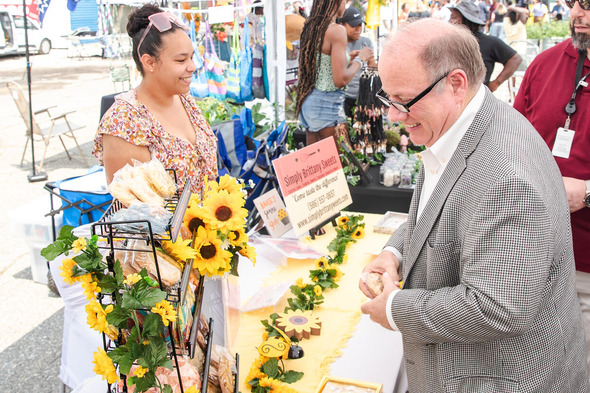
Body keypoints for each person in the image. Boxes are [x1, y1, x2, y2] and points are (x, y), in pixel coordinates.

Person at [360, 17, 590, 392]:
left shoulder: (507, 176)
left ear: (455, 84)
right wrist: (395, 253)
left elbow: (496, 306)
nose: (392, 116)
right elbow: (435, 214)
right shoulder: (459, 125)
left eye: (403, 101)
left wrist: (393, 309)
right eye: (389, 99)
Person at [514, 0, 590, 372]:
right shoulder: (544, 65)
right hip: (529, 257)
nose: (581, 14)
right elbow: (509, 144)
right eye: (578, 2)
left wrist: (589, 193)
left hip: (585, 269)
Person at [93, 4, 217, 197]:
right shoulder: (123, 123)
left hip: (210, 223)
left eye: (191, 57)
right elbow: (136, 212)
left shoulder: (184, 98)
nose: (193, 67)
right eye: (181, 60)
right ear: (149, 62)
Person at [296, 0, 373, 146]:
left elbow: (320, 62)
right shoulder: (337, 30)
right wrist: (361, 60)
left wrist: (347, 58)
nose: (346, 4)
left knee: (317, 163)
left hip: (309, 101)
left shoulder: (312, 27)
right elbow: (341, 80)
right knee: (342, 164)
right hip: (326, 105)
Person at [449, 1, 522, 92]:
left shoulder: (490, 42)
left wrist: (496, 82)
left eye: (453, 17)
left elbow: (515, 59)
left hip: (477, 99)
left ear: (466, 21)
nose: (450, 21)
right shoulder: (450, 43)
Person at [337, 6, 377, 118]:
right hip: (342, 98)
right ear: (342, 25)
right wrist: (354, 59)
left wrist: (371, 60)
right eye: (354, 25)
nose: (358, 28)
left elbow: (373, 72)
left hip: (362, 97)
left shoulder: (366, 42)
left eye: (360, 24)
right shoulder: (337, 44)